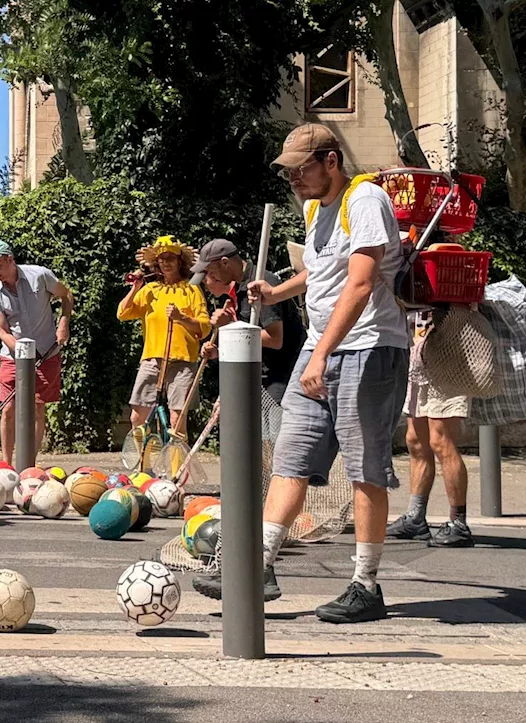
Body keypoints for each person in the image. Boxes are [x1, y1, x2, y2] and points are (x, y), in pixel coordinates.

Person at [193, 123, 411, 624]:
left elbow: (359, 284)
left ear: (331, 161)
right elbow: (323, 271)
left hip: (370, 348)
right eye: (288, 171)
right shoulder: (316, 209)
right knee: (290, 456)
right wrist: (276, 292)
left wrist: (318, 356)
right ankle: (259, 566)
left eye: (300, 168)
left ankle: (366, 585)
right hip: (324, 349)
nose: (293, 178)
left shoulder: (366, 199)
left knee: (364, 467)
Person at [0, 241, 73, 468]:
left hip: (46, 351)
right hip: (13, 356)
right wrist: (23, 355)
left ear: (10, 259)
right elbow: (3, 332)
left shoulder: (40, 276)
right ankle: (6, 465)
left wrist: (64, 324)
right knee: (8, 409)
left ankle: (29, 466)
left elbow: (66, 294)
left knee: (37, 407)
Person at [390, 311, 474, 547]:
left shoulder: (455, 277)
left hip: (448, 355)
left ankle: (459, 523)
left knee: (441, 441)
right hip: (418, 357)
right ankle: (415, 517)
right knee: (416, 440)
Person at [191, 238, 306, 405]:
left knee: (274, 429)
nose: (210, 276)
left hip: (284, 376)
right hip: (262, 375)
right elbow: (251, 336)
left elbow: (275, 340)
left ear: (225, 263)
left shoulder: (260, 284)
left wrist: (230, 327)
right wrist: (220, 351)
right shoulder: (240, 290)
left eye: (210, 271)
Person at [117, 236, 210, 436]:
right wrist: (136, 287)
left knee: (176, 421)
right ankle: (143, 466)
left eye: (170, 258)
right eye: (162, 259)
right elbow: (122, 313)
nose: (166, 262)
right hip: (152, 360)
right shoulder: (150, 290)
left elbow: (205, 327)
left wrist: (181, 318)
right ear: (156, 263)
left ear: (180, 262)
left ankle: (177, 467)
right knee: (137, 418)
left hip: (183, 361)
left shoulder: (191, 289)